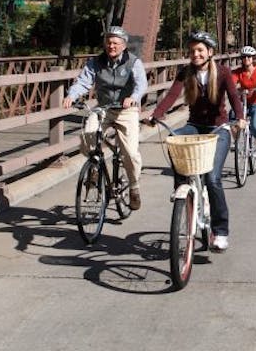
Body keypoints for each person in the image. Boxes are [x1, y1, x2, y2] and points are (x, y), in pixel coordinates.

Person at [149, 31, 244, 252]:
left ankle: (220, 231)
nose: (196, 54)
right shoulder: (186, 73)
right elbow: (171, 96)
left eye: (200, 50)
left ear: (210, 52)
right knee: (174, 137)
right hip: (194, 125)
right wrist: (157, 114)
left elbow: (233, 97)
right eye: (192, 51)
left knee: (213, 179)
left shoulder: (222, 73)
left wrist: (240, 118)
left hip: (218, 127)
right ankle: (181, 185)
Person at [62, 26, 148, 210]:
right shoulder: (96, 62)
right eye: (108, 42)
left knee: (130, 153)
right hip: (104, 108)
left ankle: (134, 187)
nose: (111, 46)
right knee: (88, 133)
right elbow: (84, 82)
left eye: (116, 43)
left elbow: (141, 85)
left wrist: (133, 98)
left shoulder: (134, 63)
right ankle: (94, 168)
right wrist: (72, 96)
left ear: (124, 46)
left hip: (126, 111)